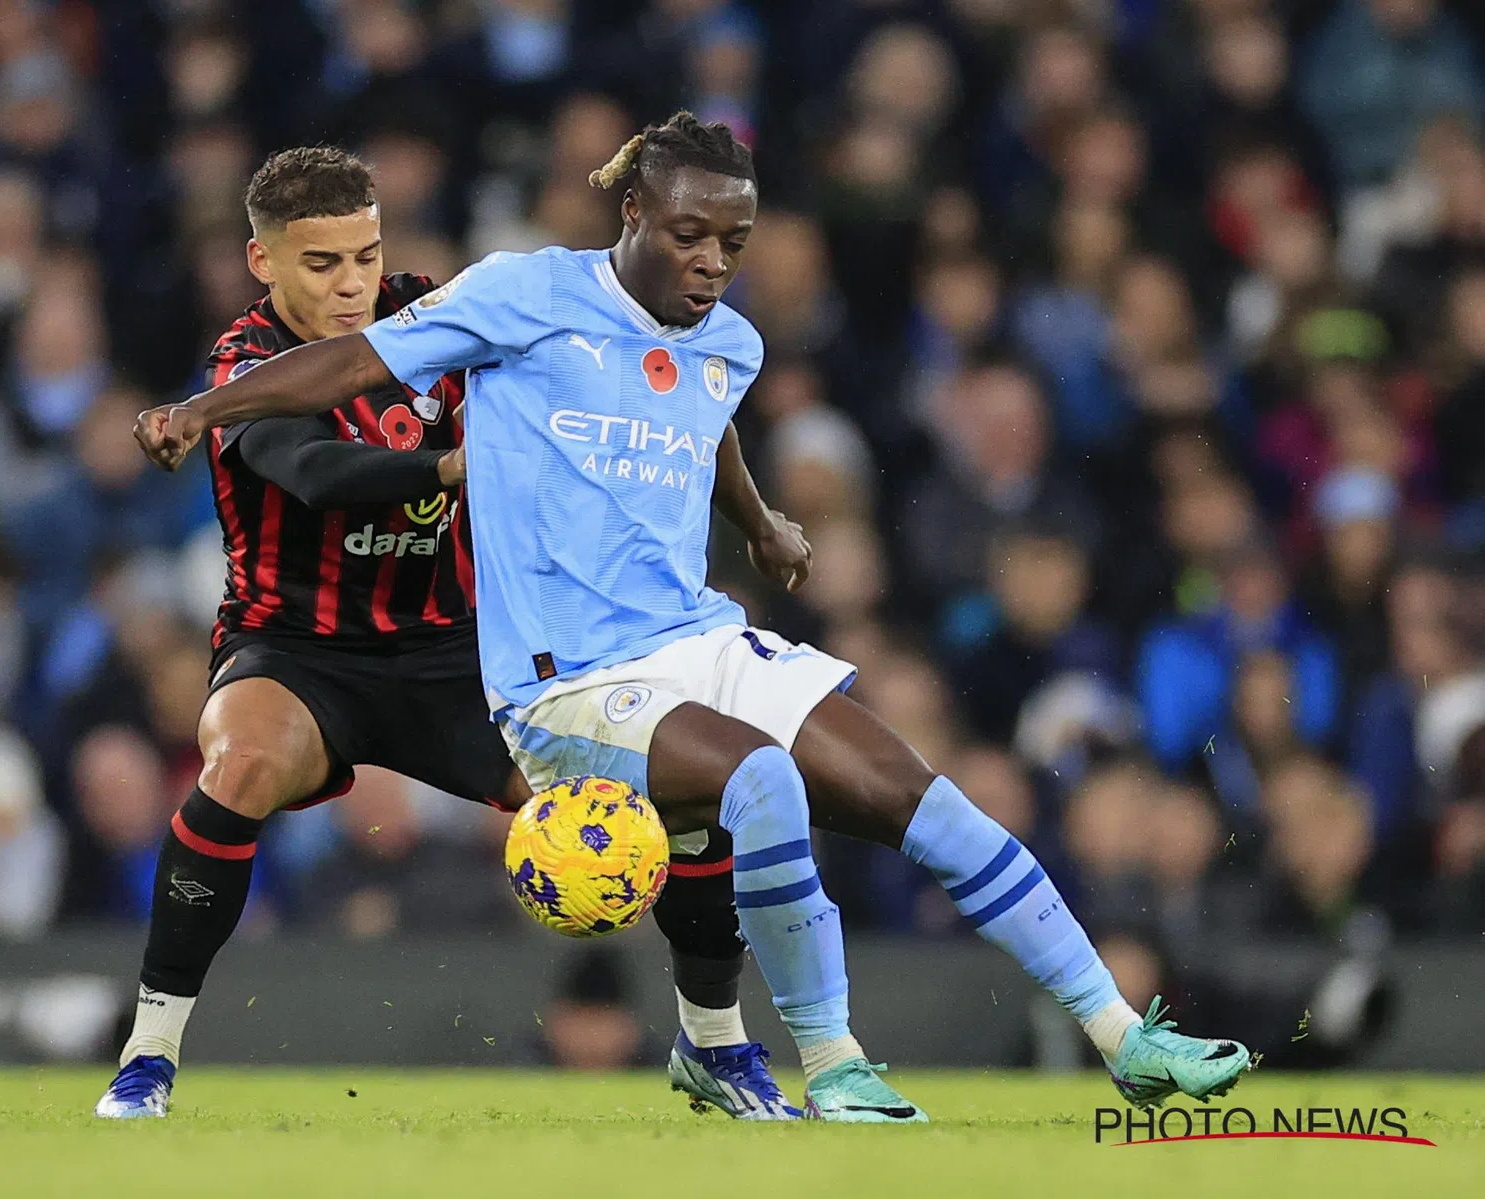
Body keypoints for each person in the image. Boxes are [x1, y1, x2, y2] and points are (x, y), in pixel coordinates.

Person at [139, 112, 1254, 1121]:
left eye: (731, 242)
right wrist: (202, 405)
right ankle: (832, 1061)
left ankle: (1123, 1035)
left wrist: (763, 523)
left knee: (927, 799)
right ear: (631, 214)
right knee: (755, 781)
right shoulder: (521, 294)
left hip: (697, 635)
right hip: (559, 674)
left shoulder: (730, 340)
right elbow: (345, 364)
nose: (710, 262)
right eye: (686, 235)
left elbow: (701, 413)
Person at [98, 147, 779, 1121]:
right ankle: (147, 1057)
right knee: (241, 763)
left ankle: (713, 1041)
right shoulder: (246, 364)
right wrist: (456, 470)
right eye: (322, 263)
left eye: (365, 257)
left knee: (663, 790)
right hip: (298, 651)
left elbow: (636, 359)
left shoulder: (446, 313)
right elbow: (314, 471)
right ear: (263, 263)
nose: (352, 284)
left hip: (461, 654)